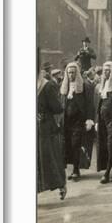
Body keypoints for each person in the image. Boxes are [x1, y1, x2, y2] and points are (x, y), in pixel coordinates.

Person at [60, 62, 95, 181]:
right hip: (67, 121)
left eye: (73, 72)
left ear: (77, 73)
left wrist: (90, 119)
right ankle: (73, 169)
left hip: (79, 121)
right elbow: (61, 104)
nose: (71, 75)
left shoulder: (85, 86)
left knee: (76, 144)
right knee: (69, 145)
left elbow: (90, 104)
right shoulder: (64, 86)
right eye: (69, 72)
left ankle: (76, 170)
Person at [37, 70, 67, 200]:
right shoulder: (45, 85)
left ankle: (61, 185)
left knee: (50, 156)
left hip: (46, 128)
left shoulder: (47, 86)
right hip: (39, 126)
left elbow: (58, 108)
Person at [95, 61, 112, 184]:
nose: (105, 73)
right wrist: (96, 120)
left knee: (111, 144)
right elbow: (98, 103)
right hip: (102, 119)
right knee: (104, 143)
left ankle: (107, 172)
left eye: (108, 70)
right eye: (104, 70)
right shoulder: (101, 85)